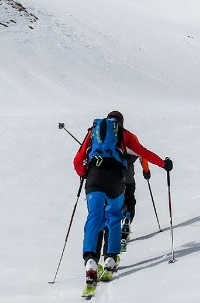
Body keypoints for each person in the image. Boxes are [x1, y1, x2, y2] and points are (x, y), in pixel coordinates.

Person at [72, 111, 170, 287]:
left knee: (95, 216)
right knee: (115, 216)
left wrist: (84, 173)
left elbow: (78, 161)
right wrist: (163, 164)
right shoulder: (126, 135)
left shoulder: (93, 132)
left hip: (95, 176)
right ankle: (110, 258)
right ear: (121, 123)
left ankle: (91, 260)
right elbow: (144, 153)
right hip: (116, 178)